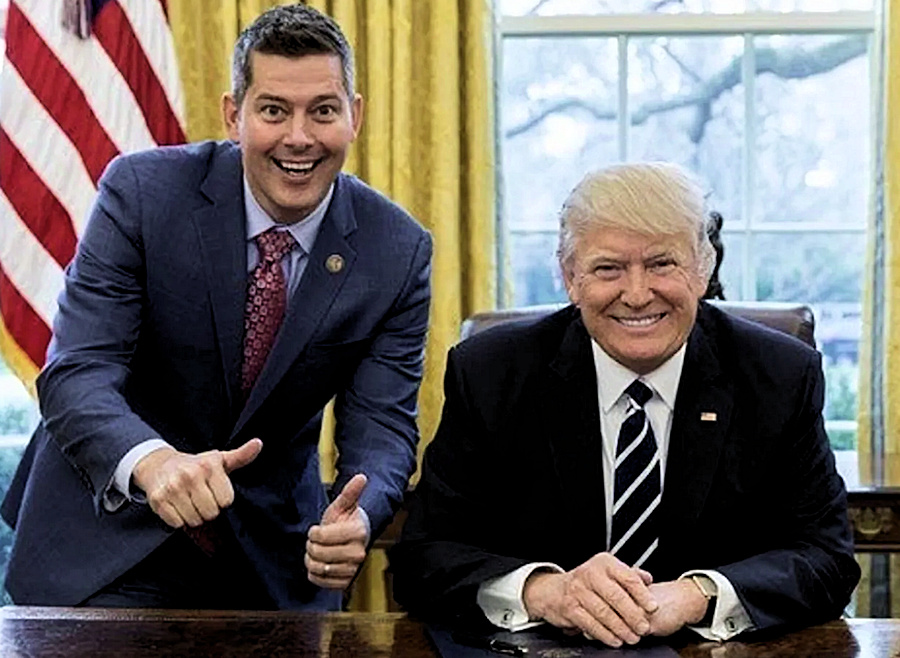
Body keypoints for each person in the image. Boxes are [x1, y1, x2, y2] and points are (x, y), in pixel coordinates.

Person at [2, 3, 431, 610]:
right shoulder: (143, 194)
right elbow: (77, 372)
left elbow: (383, 426)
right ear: (234, 115)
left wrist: (360, 513)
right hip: (111, 537)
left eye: (323, 111)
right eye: (273, 110)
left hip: (274, 558)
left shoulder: (397, 250)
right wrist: (153, 461)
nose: (299, 137)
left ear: (354, 116)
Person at [389, 162, 858, 645]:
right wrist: (545, 592)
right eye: (608, 268)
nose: (636, 295)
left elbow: (827, 559)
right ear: (570, 277)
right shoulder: (491, 374)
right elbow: (423, 557)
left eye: (662, 264)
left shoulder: (780, 376)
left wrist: (697, 595)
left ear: (703, 269)